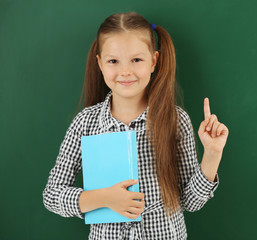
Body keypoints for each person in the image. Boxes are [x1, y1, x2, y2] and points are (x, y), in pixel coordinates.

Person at [43, 11, 229, 239]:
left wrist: (212, 155)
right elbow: (52, 195)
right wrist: (104, 198)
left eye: (136, 59)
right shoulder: (86, 123)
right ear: (100, 64)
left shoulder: (176, 120)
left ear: (154, 61)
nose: (125, 71)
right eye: (113, 61)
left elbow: (190, 202)